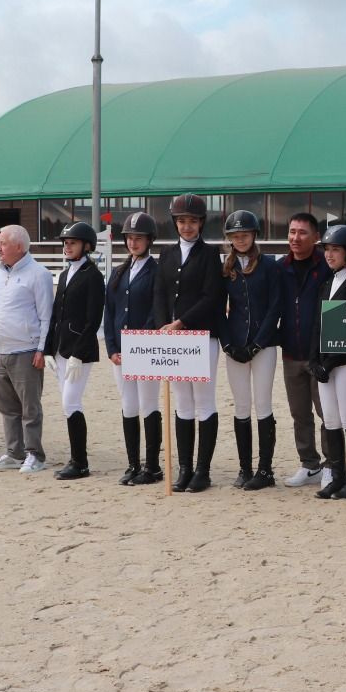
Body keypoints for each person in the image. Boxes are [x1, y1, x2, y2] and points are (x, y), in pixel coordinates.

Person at [151, 194, 226, 492]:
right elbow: (159, 294)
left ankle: (203, 470)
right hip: (173, 339)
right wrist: (162, 326)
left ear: (200, 223)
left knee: (203, 401)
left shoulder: (209, 255)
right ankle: (184, 467)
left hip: (201, 336)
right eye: (182, 221)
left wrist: (181, 322)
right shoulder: (166, 256)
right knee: (182, 402)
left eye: (192, 221)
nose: (186, 226)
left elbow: (211, 296)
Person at [269, 212, 332, 488]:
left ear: (316, 237)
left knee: (327, 413)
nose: (295, 237)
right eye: (292, 232)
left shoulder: (328, 267)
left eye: (302, 232)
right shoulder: (280, 268)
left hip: (321, 354)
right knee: (299, 414)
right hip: (291, 352)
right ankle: (309, 464)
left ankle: (332, 464)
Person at [0, 224, 54, 473]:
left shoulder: (39, 274)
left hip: (26, 350)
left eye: (2, 243)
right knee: (7, 407)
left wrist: (42, 350)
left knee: (30, 408)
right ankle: (14, 452)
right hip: (0, 349)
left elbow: (46, 316)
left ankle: (35, 454)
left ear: (19, 247)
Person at [221, 209, 279, 490]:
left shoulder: (269, 266)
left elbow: (274, 308)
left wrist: (258, 343)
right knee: (241, 405)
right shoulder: (226, 267)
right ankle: (245, 468)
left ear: (254, 235)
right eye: (235, 235)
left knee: (263, 404)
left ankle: (265, 470)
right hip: (235, 345)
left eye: (244, 234)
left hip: (263, 345)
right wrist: (227, 343)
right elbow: (218, 310)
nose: (240, 239)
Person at [104, 211, 163, 486]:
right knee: (128, 405)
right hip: (122, 352)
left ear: (149, 240)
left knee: (148, 404)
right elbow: (111, 312)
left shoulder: (156, 271)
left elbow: (156, 310)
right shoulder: (119, 271)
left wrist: (143, 341)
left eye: (138, 238)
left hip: (146, 349)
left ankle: (152, 466)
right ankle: (132, 464)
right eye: (130, 238)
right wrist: (112, 348)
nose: (133, 242)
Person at [46, 221, 104, 480]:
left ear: (86, 246)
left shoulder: (93, 276)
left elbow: (93, 320)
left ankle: (80, 462)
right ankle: (76, 458)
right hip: (60, 348)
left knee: (71, 401)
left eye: (73, 243)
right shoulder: (64, 274)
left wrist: (78, 354)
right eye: (66, 243)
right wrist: (48, 348)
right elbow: (55, 314)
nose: (68, 247)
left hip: (79, 351)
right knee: (66, 403)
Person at [309, 225, 346, 499]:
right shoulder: (327, 283)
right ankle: (337, 475)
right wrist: (314, 361)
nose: (329, 255)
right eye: (327, 250)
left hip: (343, 364)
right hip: (324, 364)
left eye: (335, 250)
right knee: (330, 418)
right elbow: (318, 325)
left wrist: (329, 363)